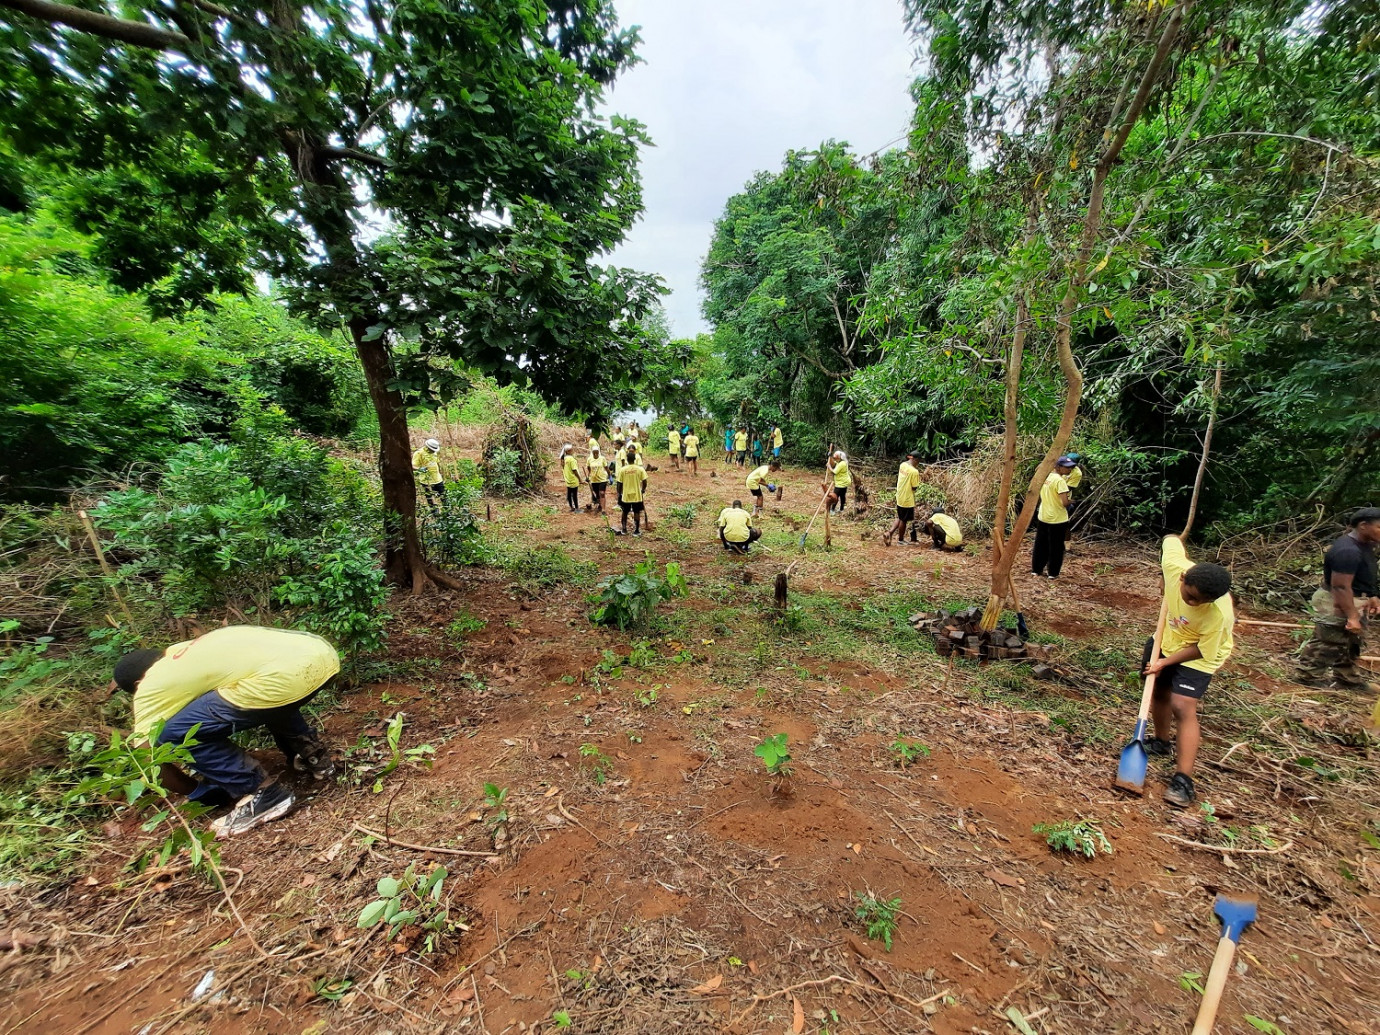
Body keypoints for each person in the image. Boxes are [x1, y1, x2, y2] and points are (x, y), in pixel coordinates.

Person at [111, 626, 338, 837]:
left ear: (139, 682)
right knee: (263, 692)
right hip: (322, 655)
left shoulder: (151, 684)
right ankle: (313, 756)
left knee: (169, 734)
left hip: (281, 679)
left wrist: (198, 791)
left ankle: (265, 795)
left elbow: (147, 756)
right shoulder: (189, 649)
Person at [1142, 536, 1235, 808]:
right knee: (1158, 690)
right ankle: (1161, 741)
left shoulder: (1219, 614)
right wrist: (1163, 579)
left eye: (1201, 602)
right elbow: (1170, 540)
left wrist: (1163, 663)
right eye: (1190, 597)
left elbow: (1199, 649)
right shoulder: (1175, 567)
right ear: (1182, 578)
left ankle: (1183, 779)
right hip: (1167, 639)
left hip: (1199, 654)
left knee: (1182, 705)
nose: (1194, 604)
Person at [1296, 508, 1380, 694]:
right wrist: (1352, 616)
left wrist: (1372, 595)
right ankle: (1307, 676)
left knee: (1351, 642)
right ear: (1363, 526)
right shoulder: (1347, 551)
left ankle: (1347, 678)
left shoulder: (1366, 543)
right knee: (1329, 641)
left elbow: (1363, 574)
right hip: (1337, 601)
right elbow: (1340, 587)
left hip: (1355, 598)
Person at [1032, 455, 1078, 578]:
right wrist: (1071, 501)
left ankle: (1036, 569)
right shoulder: (1060, 481)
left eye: (1071, 467)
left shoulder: (1046, 477)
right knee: (1056, 547)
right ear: (1058, 467)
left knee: (1040, 544)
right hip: (1057, 519)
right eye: (1067, 467)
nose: (1069, 470)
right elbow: (1064, 502)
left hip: (1043, 516)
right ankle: (1053, 573)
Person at [885, 450, 922, 546]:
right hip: (907, 498)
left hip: (899, 495)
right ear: (916, 460)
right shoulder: (914, 472)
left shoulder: (903, 465)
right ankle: (900, 540)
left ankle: (889, 533)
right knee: (904, 520)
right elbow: (914, 487)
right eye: (918, 461)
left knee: (900, 517)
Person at [617, 445, 648, 536]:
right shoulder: (639, 469)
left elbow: (619, 483)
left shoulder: (622, 470)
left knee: (625, 511)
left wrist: (619, 493)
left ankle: (624, 529)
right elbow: (644, 481)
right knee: (636, 511)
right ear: (635, 459)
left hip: (626, 495)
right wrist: (643, 490)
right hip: (636, 494)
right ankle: (637, 530)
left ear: (627, 459)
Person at [412, 438, 444, 512]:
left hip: (437, 479)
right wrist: (420, 469)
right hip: (426, 481)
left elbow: (436, 463)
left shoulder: (434, 453)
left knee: (443, 496)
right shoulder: (419, 453)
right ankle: (435, 514)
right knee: (430, 499)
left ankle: (448, 512)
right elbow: (413, 466)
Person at [584, 445, 608, 515]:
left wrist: (609, 476)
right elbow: (589, 468)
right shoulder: (589, 459)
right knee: (597, 494)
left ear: (599, 452)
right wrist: (588, 476)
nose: (595, 454)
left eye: (596, 452)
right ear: (592, 452)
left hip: (602, 479)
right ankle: (600, 504)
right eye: (594, 452)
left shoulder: (602, 458)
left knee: (602, 493)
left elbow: (606, 468)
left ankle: (603, 510)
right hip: (594, 480)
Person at [560, 444, 581, 512]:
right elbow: (574, 470)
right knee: (574, 494)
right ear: (568, 451)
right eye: (572, 449)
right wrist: (580, 479)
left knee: (569, 493)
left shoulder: (564, 459)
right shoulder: (571, 460)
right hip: (573, 479)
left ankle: (571, 507)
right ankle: (577, 508)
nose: (573, 451)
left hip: (567, 479)